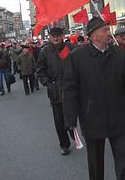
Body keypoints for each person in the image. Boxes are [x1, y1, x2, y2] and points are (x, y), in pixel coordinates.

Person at [63, 17, 125, 180]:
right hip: (92, 117)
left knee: (124, 159)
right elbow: (69, 89)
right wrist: (70, 120)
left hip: (118, 115)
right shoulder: (77, 57)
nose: (110, 33)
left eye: (109, 29)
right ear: (93, 35)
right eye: (105, 30)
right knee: (95, 161)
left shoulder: (117, 53)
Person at [37, 27, 75, 156]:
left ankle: (71, 129)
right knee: (59, 121)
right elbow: (40, 70)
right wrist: (47, 83)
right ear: (49, 37)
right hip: (55, 90)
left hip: (70, 88)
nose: (55, 38)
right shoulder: (45, 51)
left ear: (62, 36)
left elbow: (78, 65)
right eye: (53, 35)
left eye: (57, 35)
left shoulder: (70, 48)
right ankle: (64, 145)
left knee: (71, 116)